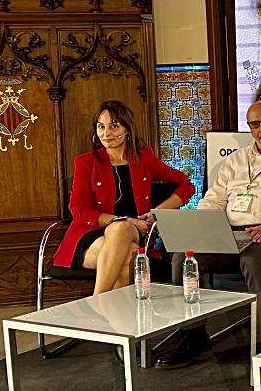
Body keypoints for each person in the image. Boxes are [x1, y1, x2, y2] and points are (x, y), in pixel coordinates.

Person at [156, 86, 261, 368]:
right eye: (255, 124)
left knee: (253, 257)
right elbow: (214, 199)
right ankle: (193, 336)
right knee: (185, 259)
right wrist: (204, 225)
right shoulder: (235, 160)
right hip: (230, 231)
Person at [55, 100, 194, 295]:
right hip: (90, 235)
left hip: (135, 231)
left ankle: (97, 303)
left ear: (127, 129)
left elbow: (186, 186)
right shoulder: (86, 162)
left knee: (122, 231)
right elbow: (78, 209)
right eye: (101, 127)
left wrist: (157, 213)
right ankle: (112, 315)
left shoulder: (144, 158)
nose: (106, 133)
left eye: (114, 126)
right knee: (128, 251)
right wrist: (123, 220)